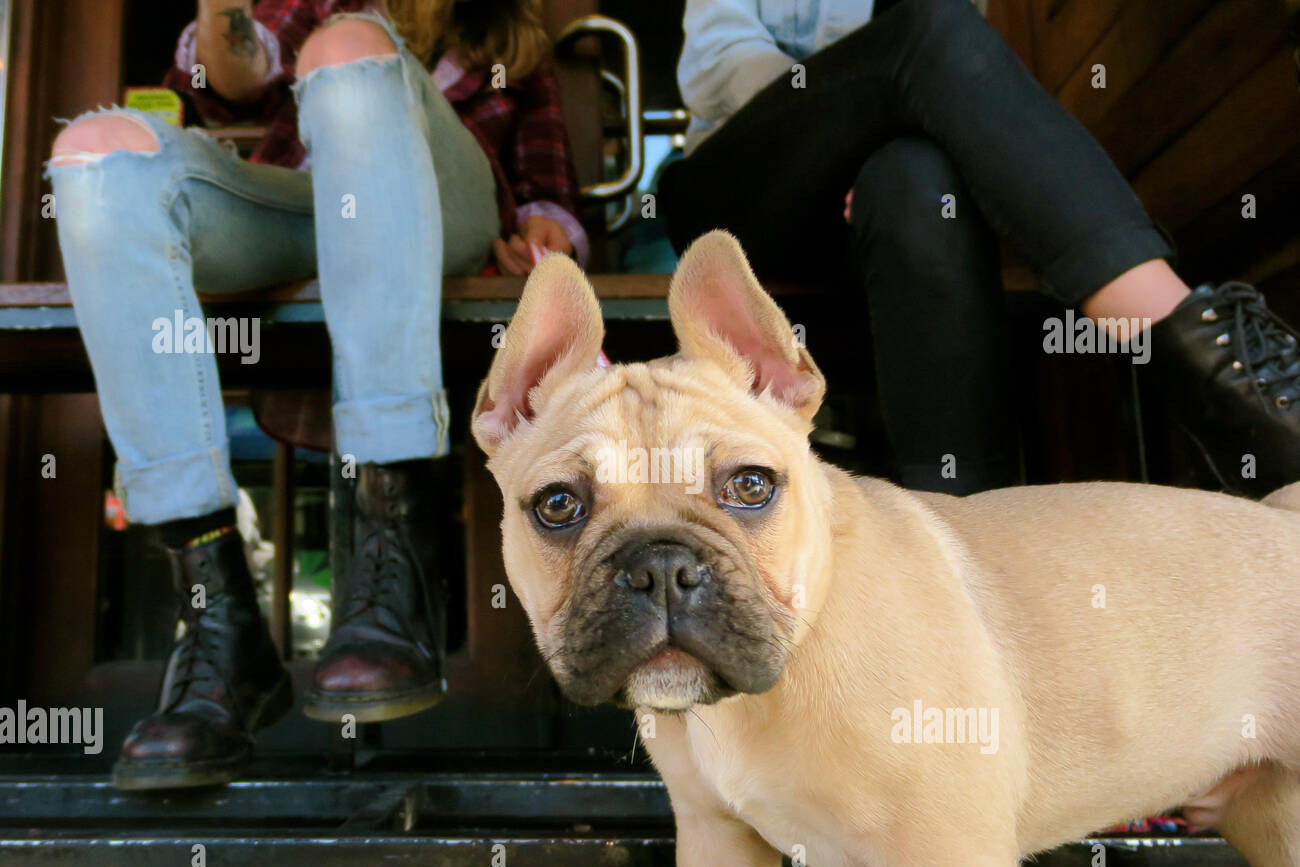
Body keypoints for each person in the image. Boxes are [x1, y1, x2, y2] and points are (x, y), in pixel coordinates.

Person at [47, 0, 586, 790]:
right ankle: (216, 623)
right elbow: (232, 74)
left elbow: (547, 190)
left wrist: (549, 232)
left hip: (450, 215)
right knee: (94, 151)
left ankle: (391, 559)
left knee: (349, 50)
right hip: (314, 214)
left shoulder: (509, 41)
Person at [659, 0, 1300, 497]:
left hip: (871, 203)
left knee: (915, 180)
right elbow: (719, 61)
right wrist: (846, 127)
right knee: (933, 29)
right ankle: (1194, 347)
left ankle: (962, 521)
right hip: (742, 194)